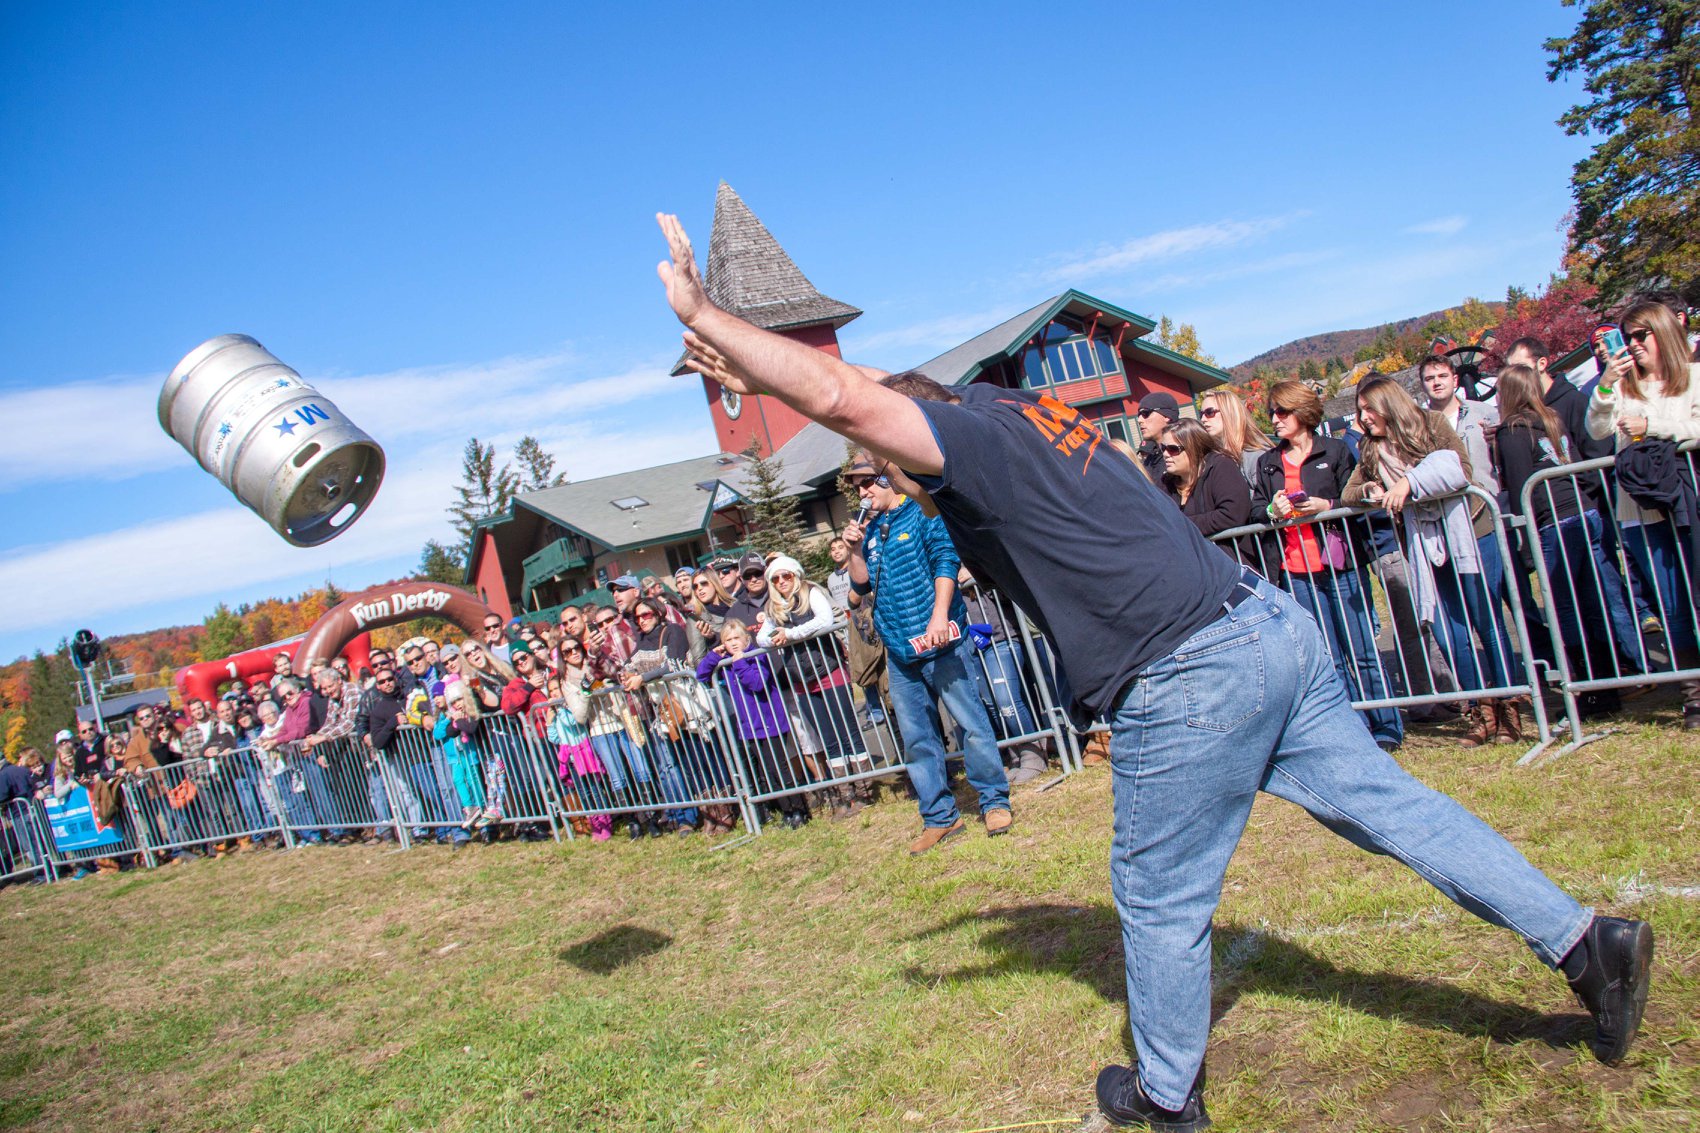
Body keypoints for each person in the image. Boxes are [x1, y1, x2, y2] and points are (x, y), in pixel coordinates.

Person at [657, 212, 1650, 1128]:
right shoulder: (999, 405)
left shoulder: (959, 447)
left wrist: (708, 316)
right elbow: (867, 389)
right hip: (1261, 625)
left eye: (875, 462)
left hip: (1186, 672)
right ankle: (1582, 942)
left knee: (1156, 888)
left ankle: (1166, 1098)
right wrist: (755, 357)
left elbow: (845, 393)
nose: (872, 473)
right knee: (1392, 807)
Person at [843, 453, 1011, 850]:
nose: (862, 492)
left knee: (969, 725)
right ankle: (939, 818)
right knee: (918, 737)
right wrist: (852, 549)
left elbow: (946, 561)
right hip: (901, 652)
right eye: (857, 487)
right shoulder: (871, 530)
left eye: (867, 482)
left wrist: (939, 616)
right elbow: (862, 587)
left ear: (887, 480)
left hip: (941, 640)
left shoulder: (923, 511)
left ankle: (993, 801)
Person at [1344, 378, 1522, 746]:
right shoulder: (1371, 449)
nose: (1363, 417)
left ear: (1388, 404)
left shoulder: (1433, 424)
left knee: (1485, 619)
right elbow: (1348, 492)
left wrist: (1409, 483)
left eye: (1368, 408)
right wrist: (1369, 491)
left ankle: (1510, 705)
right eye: (1360, 410)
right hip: (1421, 543)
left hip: (1471, 530)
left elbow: (1462, 470)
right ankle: (1480, 710)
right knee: (1449, 629)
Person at [1251, 381, 1404, 751]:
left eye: (1282, 411)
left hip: (1341, 564)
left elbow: (1355, 497)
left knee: (1362, 648)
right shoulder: (1268, 462)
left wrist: (1327, 506)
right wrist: (1273, 510)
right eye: (1272, 412)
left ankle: (1387, 727)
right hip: (1297, 571)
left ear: (1302, 412)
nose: (1275, 419)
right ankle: (1352, 727)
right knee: (1329, 656)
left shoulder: (1335, 451)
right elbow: (1256, 509)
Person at [1494, 362, 1642, 717]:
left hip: (1554, 520)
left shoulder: (1512, 430)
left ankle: (1588, 688)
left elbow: (1519, 486)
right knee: (1591, 600)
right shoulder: (1551, 419)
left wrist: (1525, 540)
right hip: (1585, 512)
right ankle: (1607, 685)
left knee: (1564, 607)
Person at [1586, 299, 1700, 729]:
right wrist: (1605, 385)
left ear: (1664, 332)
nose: (1633, 345)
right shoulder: (1623, 386)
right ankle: (1693, 697)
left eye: (1640, 335)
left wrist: (1652, 429)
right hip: (1639, 513)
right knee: (1671, 607)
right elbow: (1596, 430)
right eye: (1627, 336)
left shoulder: (1693, 378)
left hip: (1687, 504)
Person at [759, 553, 868, 818]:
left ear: (795, 575)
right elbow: (762, 638)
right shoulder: (773, 608)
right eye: (776, 578)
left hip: (828, 668)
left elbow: (824, 620)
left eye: (786, 575)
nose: (782, 581)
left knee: (847, 728)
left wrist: (791, 635)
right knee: (827, 736)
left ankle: (865, 786)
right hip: (801, 679)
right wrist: (776, 637)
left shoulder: (812, 592)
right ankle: (845, 791)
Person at [696, 619, 809, 828]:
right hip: (749, 726)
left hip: (770, 721)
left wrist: (740, 662)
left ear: (746, 639)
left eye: (736, 638)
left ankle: (799, 809)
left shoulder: (755, 656)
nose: (733, 643)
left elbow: (757, 683)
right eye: (728, 640)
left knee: (780, 767)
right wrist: (714, 656)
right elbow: (701, 674)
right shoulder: (726, 663)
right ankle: (787, 811)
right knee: (768, 771)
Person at [1158, 417, 1254, 556]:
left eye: (1173, 449)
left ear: (1194, 448)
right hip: (1190, 566)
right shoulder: (1165, 483)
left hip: (1230, 562)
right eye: (1163, 448)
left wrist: (1181, 525)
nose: (1166, 454)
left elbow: (1232, 514)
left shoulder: (1221, 467)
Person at [1198, 387, 1273, 482]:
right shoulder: (1212, 458)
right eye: (1201, 414)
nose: (1203, 419)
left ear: (1229, 412)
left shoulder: (1257, 456)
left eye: (1210, 412)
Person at [1134, 391, 1181, 481]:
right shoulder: (1150, 460)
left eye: (1145, 413)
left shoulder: (1185, 454)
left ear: (1167, 416)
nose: (1139, 420)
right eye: (1139, 415)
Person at [824, 536, 854, 613]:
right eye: (833, 549)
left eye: (840, 547)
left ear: (848, 550)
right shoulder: (830, 578)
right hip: (842, 620)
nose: (836, 551)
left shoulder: (857, 571)